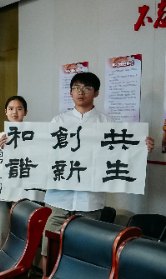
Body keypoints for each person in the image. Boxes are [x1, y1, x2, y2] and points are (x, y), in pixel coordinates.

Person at [42, 73, 153, 236]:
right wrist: (11, 145)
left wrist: (142, 148)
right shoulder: (58, 122)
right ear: (70, 92)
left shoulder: (107, 124)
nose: (81, 92)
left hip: (89, 201)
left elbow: (120, 154)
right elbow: (43, 152)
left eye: (87, 88)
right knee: (50, 244)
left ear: (96, 93)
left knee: (83, 245)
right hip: (58, 197)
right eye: (76, 88)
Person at [0, 96, 45, 248]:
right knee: (4, 231)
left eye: (19, 109)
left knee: (25, 231)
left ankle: (25, 262)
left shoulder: (34, 136)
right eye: (11, 109)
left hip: (24, 192)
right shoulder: (0, 137)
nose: (15, 112)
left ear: (25, 112)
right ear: (6, 112)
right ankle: (4, 261)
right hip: (3, 192)